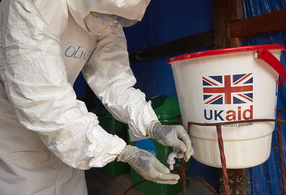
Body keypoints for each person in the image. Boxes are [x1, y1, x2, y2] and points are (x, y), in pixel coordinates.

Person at [0, 0, 192, 194]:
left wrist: (151, 124)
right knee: (28, 186)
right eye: (110, 16)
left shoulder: (107, 15)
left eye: (122, 20)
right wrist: (122, 152)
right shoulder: (33, 4)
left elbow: (113, 79)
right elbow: (41, 97)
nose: (112, 24)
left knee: (70, 184)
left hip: (67, 117)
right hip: (14, 119)